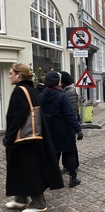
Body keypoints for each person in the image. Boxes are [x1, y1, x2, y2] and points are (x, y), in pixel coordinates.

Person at [3, 63, 64, 211]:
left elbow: (16, 117)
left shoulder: (19, 91)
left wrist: (8, 138)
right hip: (34, 137)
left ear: (18, 75)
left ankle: (39, 203)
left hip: (23, 141)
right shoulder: (32, 89)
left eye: (11, 73)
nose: (9, 75)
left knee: (29, 170)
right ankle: (21, 198)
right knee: (23, 169)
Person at [39, 71, 83, 188]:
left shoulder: (42, 96)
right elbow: (70, 115)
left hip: (50, 132)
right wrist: (78, 130)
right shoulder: (62, 96)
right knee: (69, 153)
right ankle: (73, 178)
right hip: (65, 131)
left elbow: (39, 114)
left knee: (54, 155)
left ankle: (52, 180)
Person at [59, 71, 80, 175]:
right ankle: (72, 164)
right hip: (69, 123)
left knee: (70, 147)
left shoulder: (70, 91)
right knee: (70, 146)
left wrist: (75, 126)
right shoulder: (66, 90)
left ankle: (70, 165)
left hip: (69, 123)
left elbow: (72, 110)